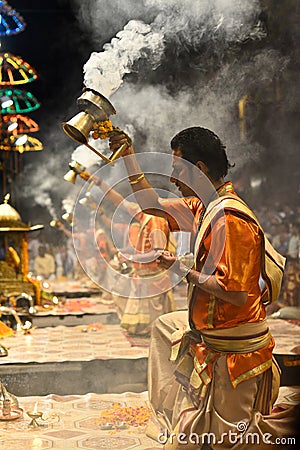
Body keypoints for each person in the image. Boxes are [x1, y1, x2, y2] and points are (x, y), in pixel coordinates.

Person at [107, 126, 298, 449]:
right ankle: (177, 408)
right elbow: (151, 205)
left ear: (200, 169)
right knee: (164, 326)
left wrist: (182, 268)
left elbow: (234, 292)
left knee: (230, 443)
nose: (172, 180)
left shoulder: (228, 218)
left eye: (178, 170)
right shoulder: (204, 206)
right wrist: (128, 155)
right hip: (214, 334)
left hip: (236, 348)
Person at [78, 169, 176, 336]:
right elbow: (121, 202)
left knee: (155, 327)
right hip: (142, 275)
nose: (135, 201)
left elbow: (158, 253)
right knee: (142, 326)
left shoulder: (155, 219)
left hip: (153, 276)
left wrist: (130, 256)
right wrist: (100, 183)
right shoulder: (144, 214)